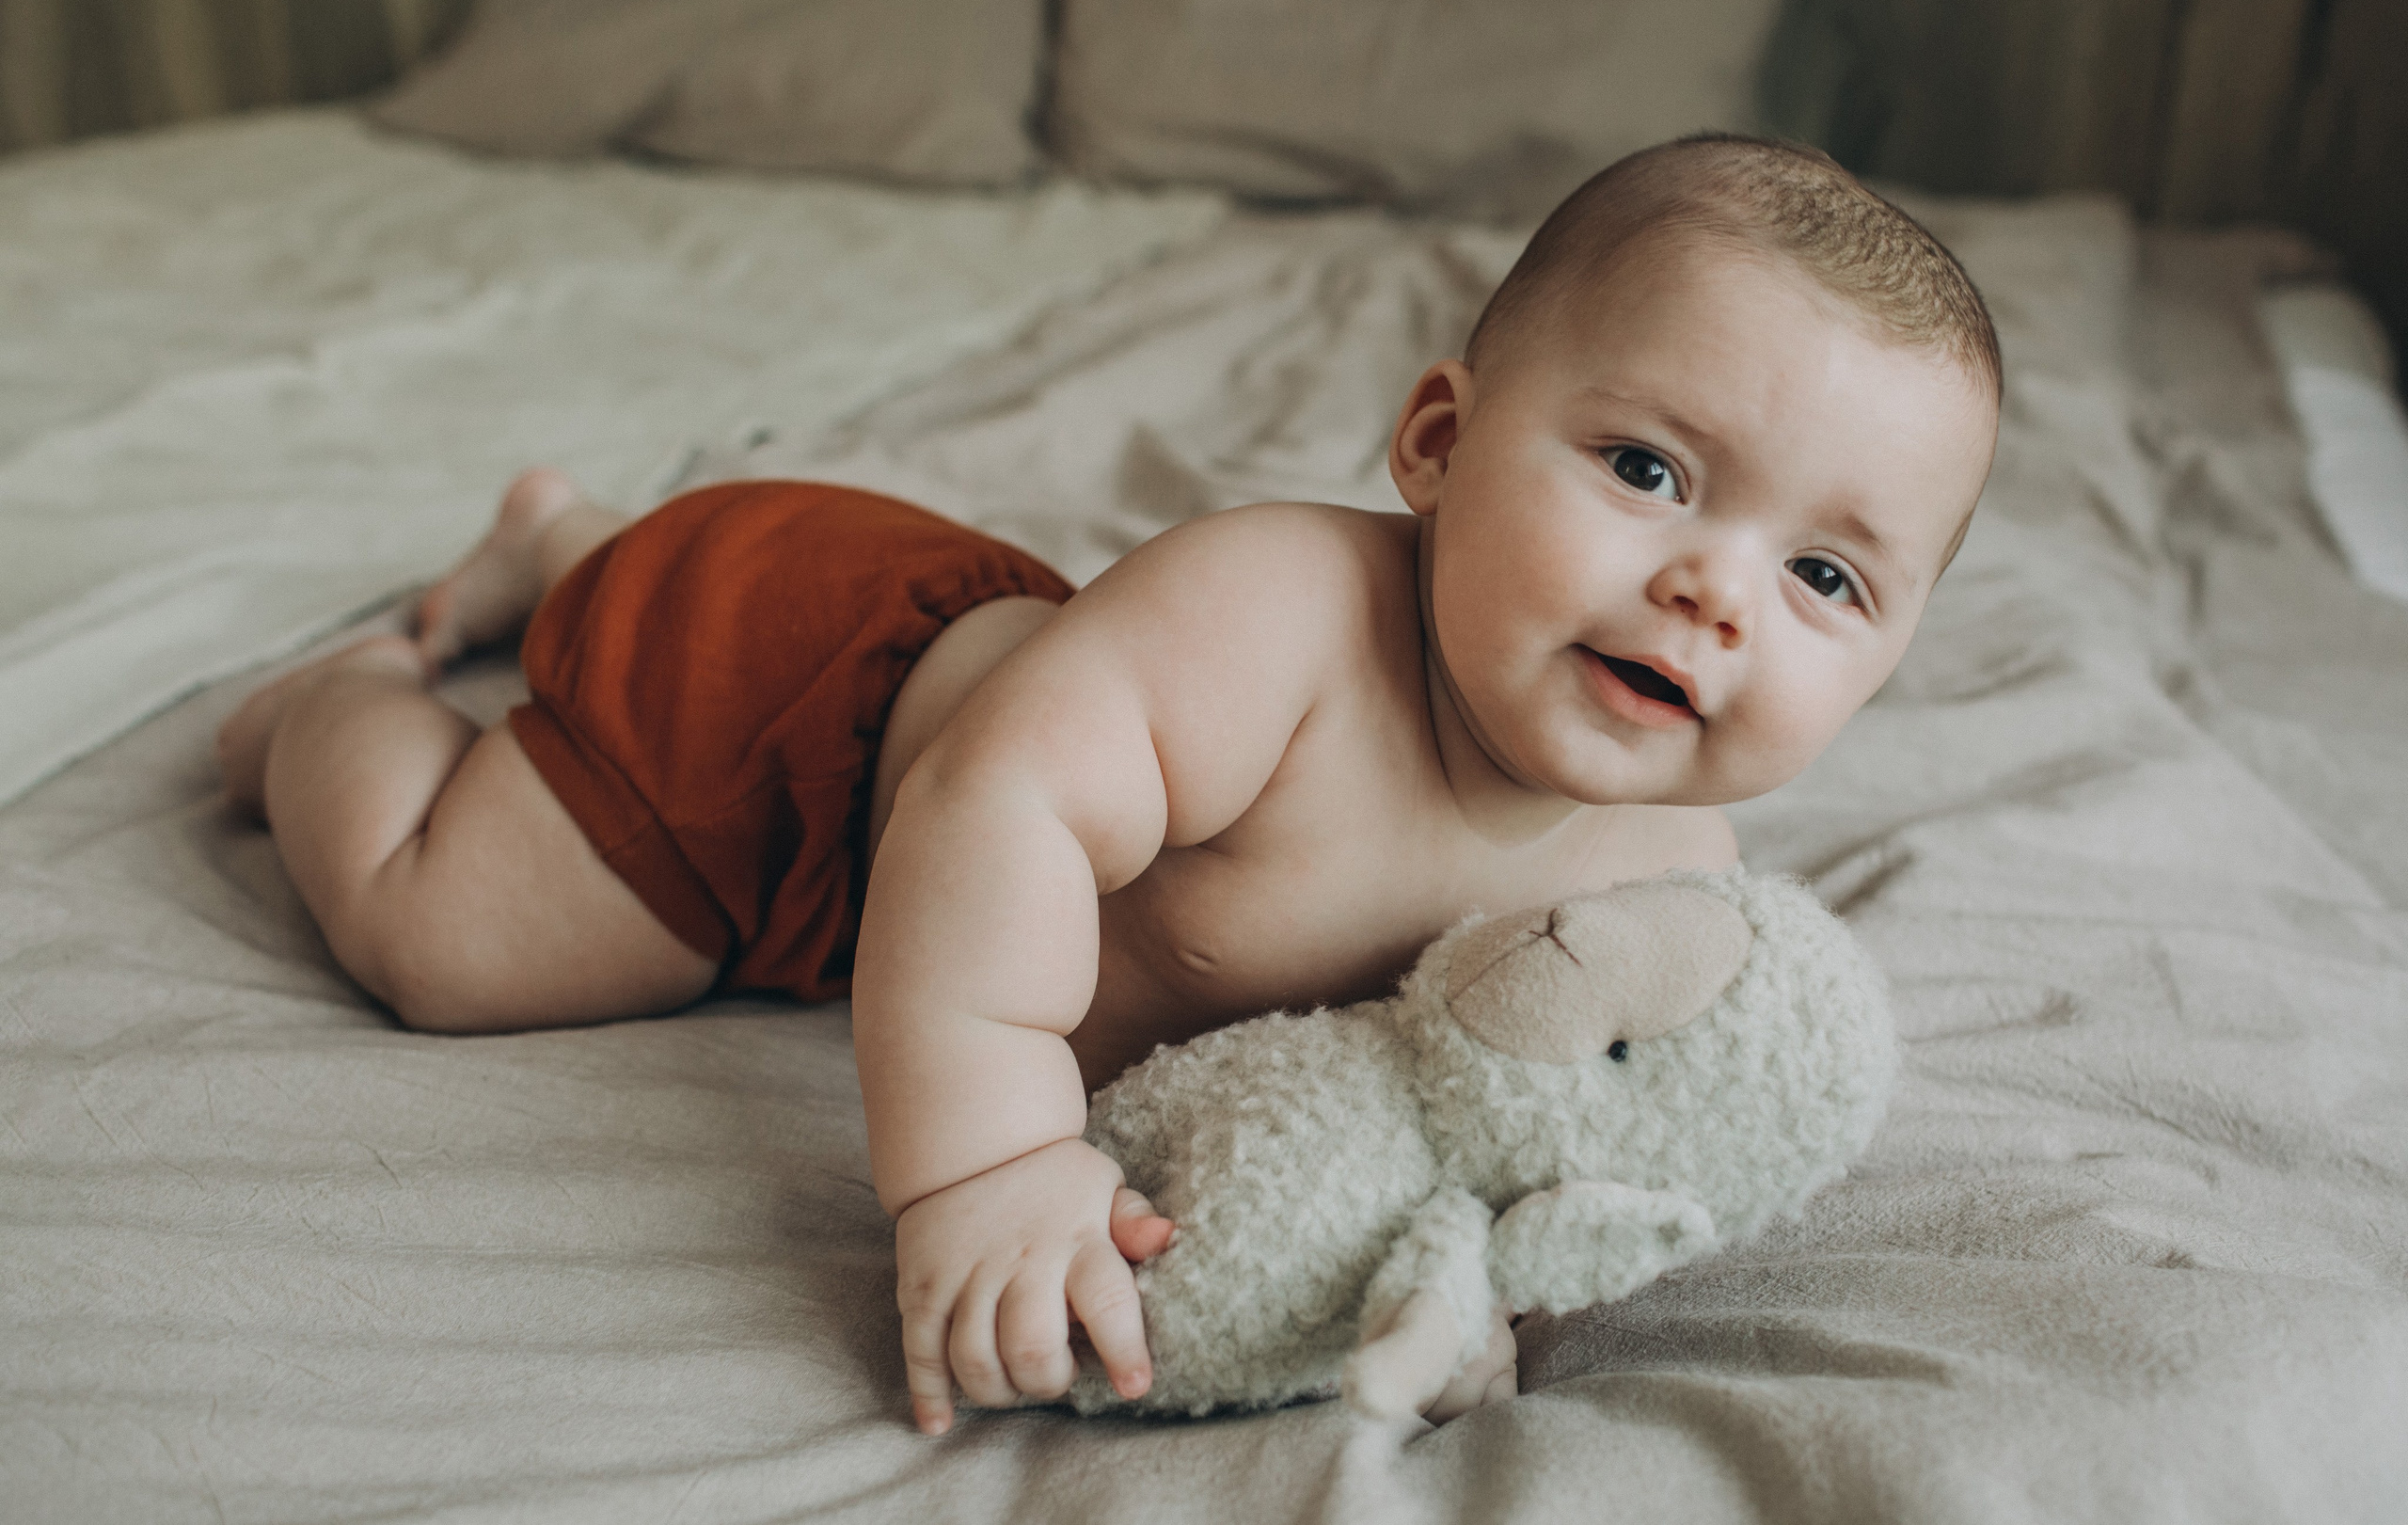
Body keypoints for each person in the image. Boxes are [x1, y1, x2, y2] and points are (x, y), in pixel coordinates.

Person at [214, 134, 2000, 1433]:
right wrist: (986, 1168)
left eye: (1828, 579)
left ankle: (568, 536)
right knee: (452, 940)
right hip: (797, 717)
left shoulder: (1672, 864)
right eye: (1647, 467)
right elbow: (997, 807)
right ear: (1440, 445)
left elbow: (1533, 1106)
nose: (1719, 593)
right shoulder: (1279, 620)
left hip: (969, 726)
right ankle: (345, 701)